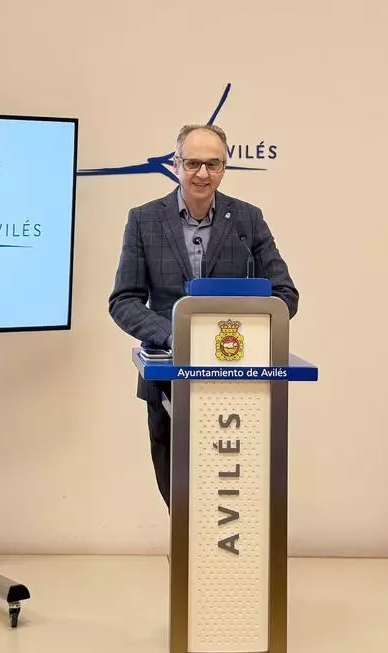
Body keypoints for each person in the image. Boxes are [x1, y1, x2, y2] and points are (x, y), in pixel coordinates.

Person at [107, 123, 299, 509]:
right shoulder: (144, 220)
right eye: (193, 163)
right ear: (176, 165)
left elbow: (285, 296)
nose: (203, 174)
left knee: (232, 502)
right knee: (182, 502)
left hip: (238, 383)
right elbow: (124, 300)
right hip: (169, 384)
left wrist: (238, 332)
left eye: (213, 164)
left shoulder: (248, 220)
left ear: (224, 168)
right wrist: (175, 334)